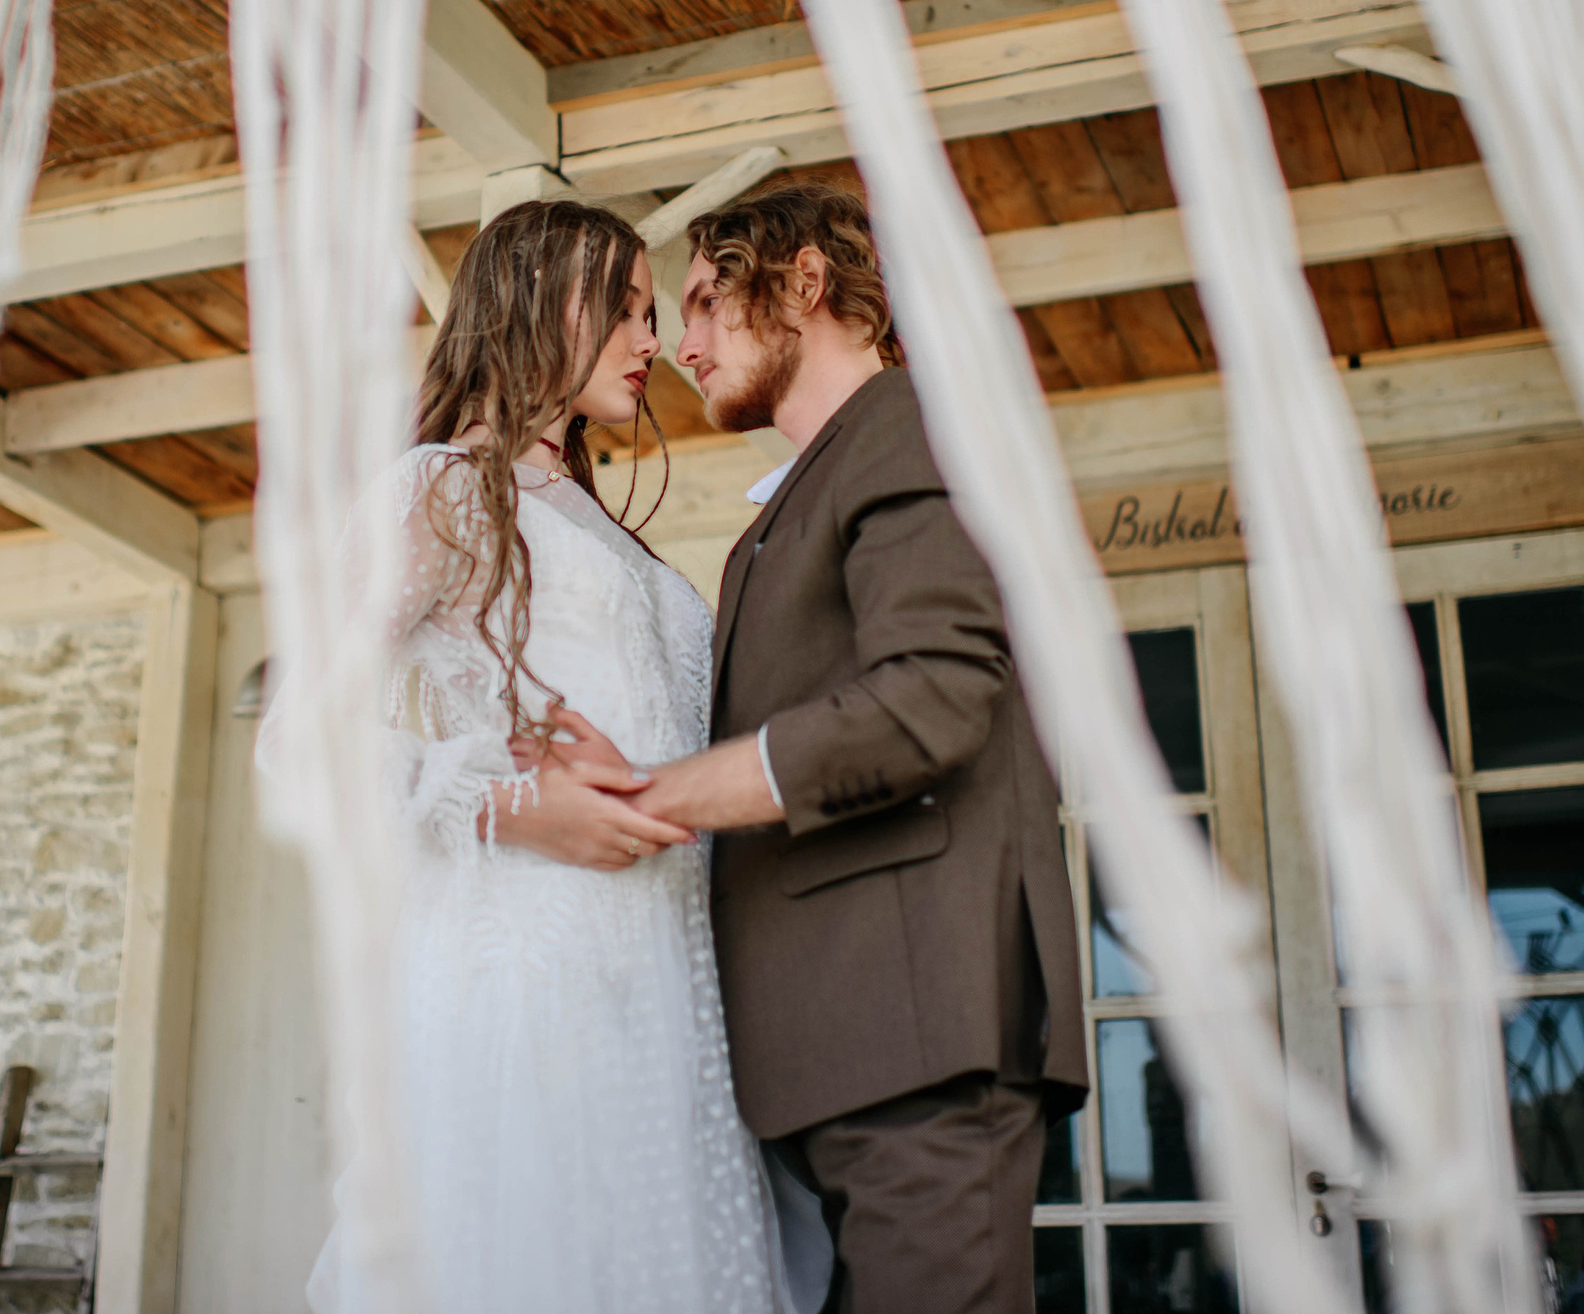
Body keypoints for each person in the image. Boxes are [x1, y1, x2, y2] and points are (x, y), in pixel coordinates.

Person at [569, 183, 1088, 1312]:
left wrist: (668, 790)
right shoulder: (793, 502)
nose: (681, 344)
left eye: (706, 300)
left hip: (922, 1040)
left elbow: (935, 693)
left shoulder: (919, 422)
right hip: (836, 1058)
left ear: (805, 282)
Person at [294, 198, 790, 1314]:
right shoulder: (441, 487)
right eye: (620, 309)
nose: (651, 340)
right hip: (527, 965)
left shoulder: (608, 528)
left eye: (650, 312)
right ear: (526, 301)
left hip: (668, 979)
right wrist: (502, 805)